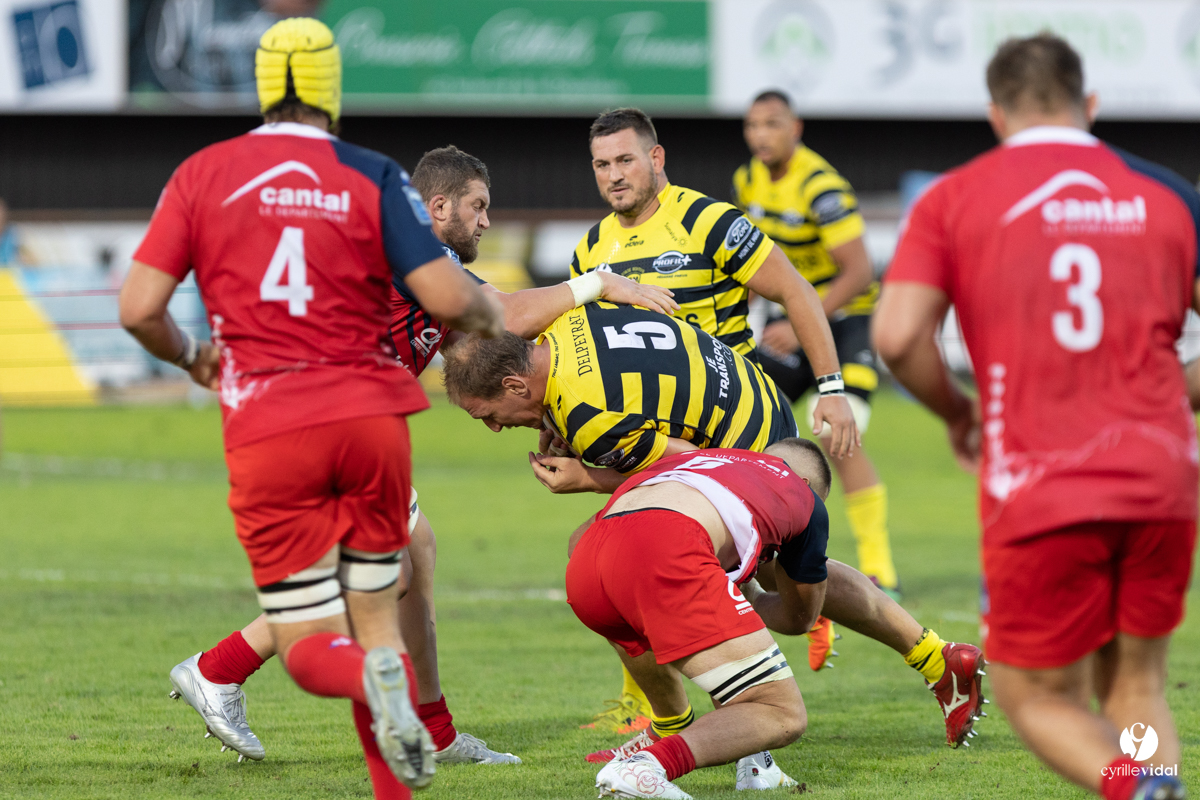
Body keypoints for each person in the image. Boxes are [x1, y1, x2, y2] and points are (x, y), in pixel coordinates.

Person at [164, 145, 675, 764]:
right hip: (322, 423)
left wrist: (546, 412)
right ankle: (219, 669)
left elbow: (482, 349)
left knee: (417, 555)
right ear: (439, 206)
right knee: (389, 577)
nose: (487, 221)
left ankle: (434, 732)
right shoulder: (416, 254)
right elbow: (506, 316)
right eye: (478, 206)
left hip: (342, 422)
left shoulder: (420, 263)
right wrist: (600, 285)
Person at [119, 18, 507, 798]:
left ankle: (376, 691)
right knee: (387, 593)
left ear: (262, 84)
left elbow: (137, 309)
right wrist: (488, 311)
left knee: (313, 636)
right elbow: (448, 297)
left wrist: (193, 355)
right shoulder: (373, 175)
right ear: (332, 86)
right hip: (369, 419)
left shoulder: (204, 172)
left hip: (268, 418)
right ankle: (394, 712)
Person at [442, 306, 986, 768]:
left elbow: (679, 467)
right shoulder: (568, 324)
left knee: (613, 550)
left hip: (748, 458)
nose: (494, 428)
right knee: (744, 573)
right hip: (756, 401)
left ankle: (686, 722)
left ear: (516, 384)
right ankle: (938, 658)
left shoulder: (588, 415)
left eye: (489, 415)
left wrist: (586, 476)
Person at [875, 34, 1197, 800]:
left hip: (1044, 482)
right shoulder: (1167, 193)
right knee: (1136, 685)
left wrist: (958, 412)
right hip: (1162, 478)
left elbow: (894, 335)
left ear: (995, 114)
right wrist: (1175, 390)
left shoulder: (956, 196)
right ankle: (1152, 777)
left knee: (1036, 695)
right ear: (1089, 106)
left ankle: (1138, 789)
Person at [567, 107, 860, 731]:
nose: (614, 176)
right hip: (668, 440)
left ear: (657, 158)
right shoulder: (592, 250)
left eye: (625, 160)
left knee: (716, 573)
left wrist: (831, 388)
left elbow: (797, 292)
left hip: (742, 425)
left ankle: (719, 726)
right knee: (639, 559)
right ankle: (930, 654)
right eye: (601, 164)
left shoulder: (707, 220)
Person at [733, 90, 900, 600]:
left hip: (846, 320)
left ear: (795, 128)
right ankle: (754, 553)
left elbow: (859, 272)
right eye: (753, 125)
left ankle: (878, 570)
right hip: (791, 322)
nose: (761, 135)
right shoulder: (747, 180)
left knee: (839, 437)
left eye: (772, 124)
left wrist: (801, 317)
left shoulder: (821, 187)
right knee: (745, 415)